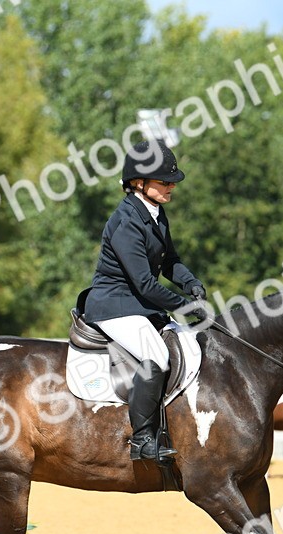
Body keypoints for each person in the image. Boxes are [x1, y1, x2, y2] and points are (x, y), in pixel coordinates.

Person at [80, 139, 206, 463]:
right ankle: (142, 440)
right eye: (164, 182)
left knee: (191, 343)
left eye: (171, 182)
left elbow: (170, 261)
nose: (170, 188)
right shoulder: (126, 222)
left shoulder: (155, 213)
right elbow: (146, 283)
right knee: (157, 354)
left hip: (139, 304)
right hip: (114, 304)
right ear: (139, 182)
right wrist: (183, 306)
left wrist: (190, 282)